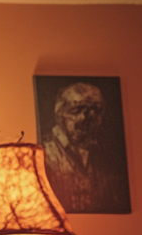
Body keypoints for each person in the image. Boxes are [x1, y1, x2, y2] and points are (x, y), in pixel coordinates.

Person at [41, 81, 124, 213]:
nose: (85, 118)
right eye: (77, 110)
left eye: (95, 111)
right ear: (59, 113)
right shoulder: (42, 153)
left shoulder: (107, 157)